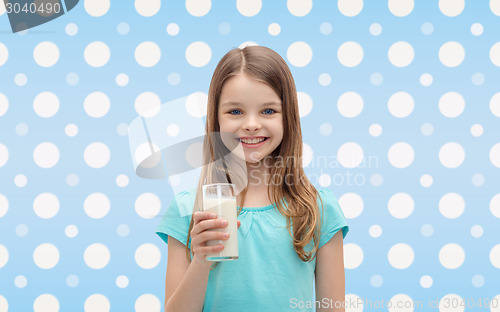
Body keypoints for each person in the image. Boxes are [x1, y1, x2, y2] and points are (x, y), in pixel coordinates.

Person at [156, 45, 349, 312]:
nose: (251, 124)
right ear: (216, 119)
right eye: (235, 112)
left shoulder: (318, 209)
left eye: (268, 111)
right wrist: (200, 261)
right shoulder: (189, 209)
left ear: (288, 117)